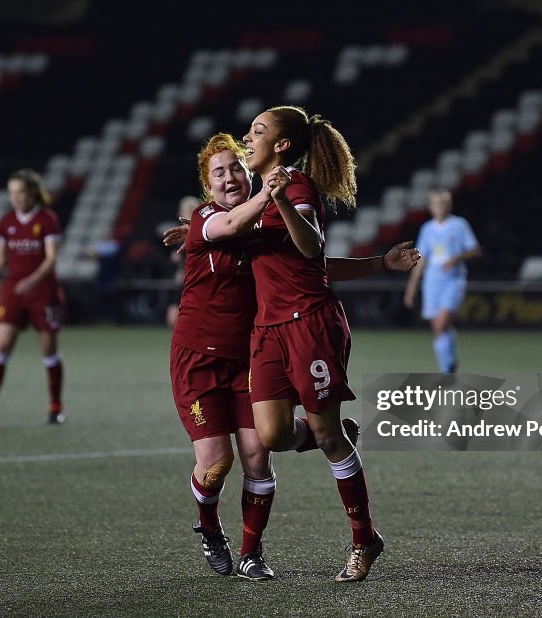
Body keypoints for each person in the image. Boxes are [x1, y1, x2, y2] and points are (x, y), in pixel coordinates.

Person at [167, 133, 418, 582]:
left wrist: (380, 263)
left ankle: (251, 554)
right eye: (219, 172)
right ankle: (209, 528)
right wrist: (266, 193)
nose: (230, 177)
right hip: (198, 359)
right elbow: (225, 227)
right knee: (217, 463)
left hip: (248, 353)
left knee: (258, 454)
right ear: (208, 187)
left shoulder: (266, 217)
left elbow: (313, 261)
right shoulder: (208, 217)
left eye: (235, 168)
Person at [243, 105, 384, 582]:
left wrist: (278, 199)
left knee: (324, 438)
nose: (248, 137)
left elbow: (311, 247)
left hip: (310, 325)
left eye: (258, 131)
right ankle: (335, 430)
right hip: (267, 330)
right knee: (273, 436)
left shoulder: (295, 188)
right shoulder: (253, 193)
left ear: (282, 146)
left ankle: (365, 540)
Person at [0, 169, 66, 425]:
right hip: (14, 291)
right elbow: (0, 256)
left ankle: (55, 407)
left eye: (20, 192)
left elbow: (51, 258)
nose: (15, 198)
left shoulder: (47, 220)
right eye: (12, 193)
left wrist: (31, 281)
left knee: (48, 349)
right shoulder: (7, 221)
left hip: (43, 292)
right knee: (0, 345)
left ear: (33, 193)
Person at [403, 189, 481, 372]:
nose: (441, 206)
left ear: (449, 205)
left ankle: (448, 370)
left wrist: (456, 258)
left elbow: (475, 250)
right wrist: (411, 288)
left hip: (453, 281)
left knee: (441, 324)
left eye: (444, 202)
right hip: (432, 284)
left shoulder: (459, 225)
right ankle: (449, 367)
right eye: (437, 203)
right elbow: (422, 260)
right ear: (431, 207)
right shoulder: (427, 229)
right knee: (438, 329)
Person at [165, 196, 199, 329]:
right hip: (184, 279)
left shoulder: (198, 231)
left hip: (194, 278)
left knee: (182, 318)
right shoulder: (181, 232)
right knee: (174, 318)